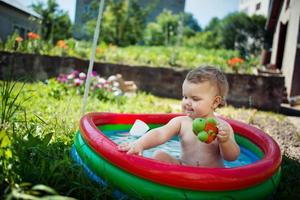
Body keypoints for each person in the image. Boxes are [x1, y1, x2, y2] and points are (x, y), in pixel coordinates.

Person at [118, 66, 240, 167]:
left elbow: (232, 157)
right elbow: (160, 133)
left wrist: (225, 141)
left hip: (211, 177)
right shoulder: (181, 122)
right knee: (159, 155)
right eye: (185, 97)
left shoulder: (222, 127)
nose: (187, 102)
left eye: (195, 99)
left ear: (214, 102)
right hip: (183, 171)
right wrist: (140, 144)